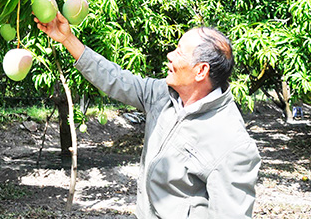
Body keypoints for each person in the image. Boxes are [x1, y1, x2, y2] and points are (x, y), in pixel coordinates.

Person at [35, 12, 261, 219]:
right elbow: (116, 79)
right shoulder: (163, 95)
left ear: (201, 71)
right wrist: (67, 39)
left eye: (180, 52)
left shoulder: (231, 143)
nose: (169, 55)